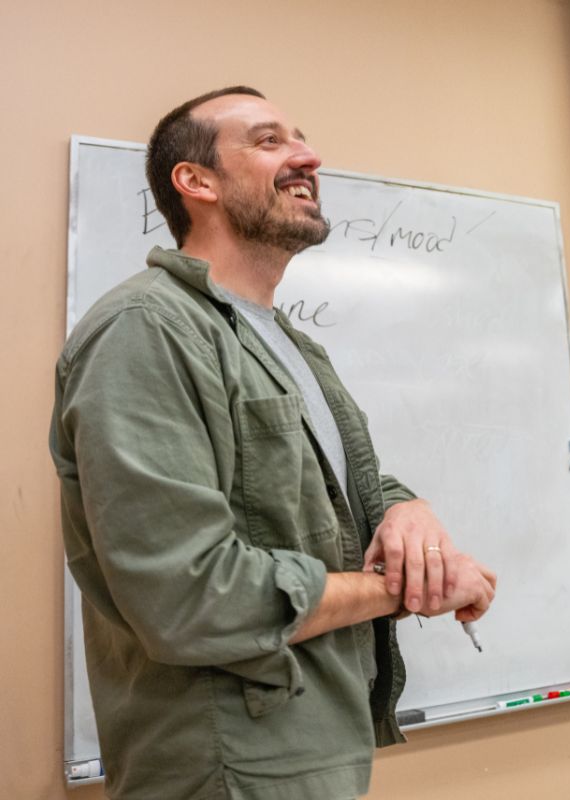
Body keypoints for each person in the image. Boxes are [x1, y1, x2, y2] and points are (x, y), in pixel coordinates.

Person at [50, 86, 496, 800]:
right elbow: (192, 596)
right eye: (268, 141)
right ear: (197, 182)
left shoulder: (290, 344)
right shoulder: (146, 330)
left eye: (302, 138)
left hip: (318, 748)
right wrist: (404, 590)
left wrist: (408, 511)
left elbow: (338, 491)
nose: (308, 156)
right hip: (229, 768)